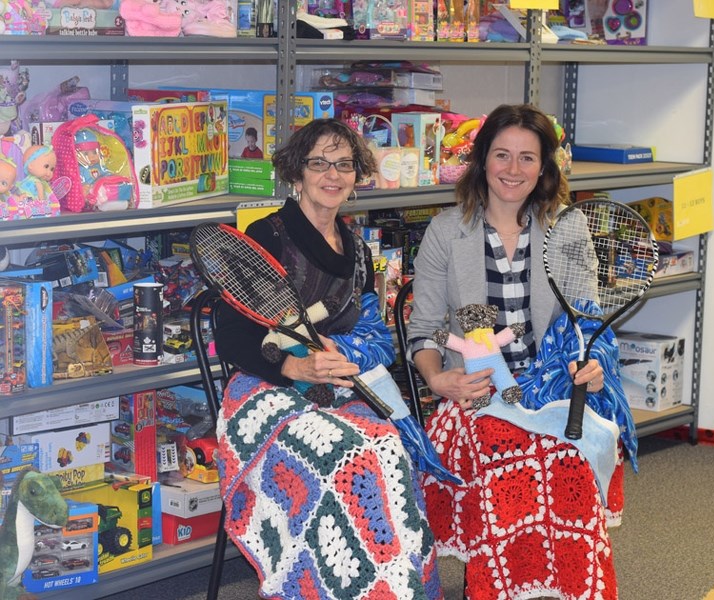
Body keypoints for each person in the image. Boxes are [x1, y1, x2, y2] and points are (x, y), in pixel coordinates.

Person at [406, 104, 632, 600]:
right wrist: (438, 380)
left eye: (527, 158)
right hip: (476, 392)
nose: (513, 170)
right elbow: (422, 332)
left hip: (550, 390)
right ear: (482, 159)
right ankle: (495, 588)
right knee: (503, 450)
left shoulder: (565, 229)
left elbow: (585, 322)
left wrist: (592, 367)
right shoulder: (447, 231)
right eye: (502, 155)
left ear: (545, 168)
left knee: (564, 454)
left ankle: (561, 589)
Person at [213, 118, 443, 600]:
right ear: (297, 172)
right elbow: (230, 336)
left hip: (336, 387)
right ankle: (329, 584)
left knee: (390, 448)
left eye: (344, 164)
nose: (332, 175)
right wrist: (292, 366)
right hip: (266, 393)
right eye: (319, 163)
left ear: (357, 176)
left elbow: (368, 331)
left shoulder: (356, 247)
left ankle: (387, 584)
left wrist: (345, 355)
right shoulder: (267, 236)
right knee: (351, 458)